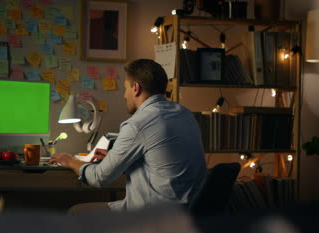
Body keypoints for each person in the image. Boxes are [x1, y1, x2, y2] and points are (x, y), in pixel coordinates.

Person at [49, 59, 207, 213]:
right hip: (190, 213)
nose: (124, 96)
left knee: (76, 212)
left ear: (136, 88)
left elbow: (99, 178)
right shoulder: (184, 113)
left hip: (153, 217)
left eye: (125, 88)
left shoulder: (138, 124)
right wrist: (115, 157)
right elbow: (162, 161)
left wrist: (71, 161)